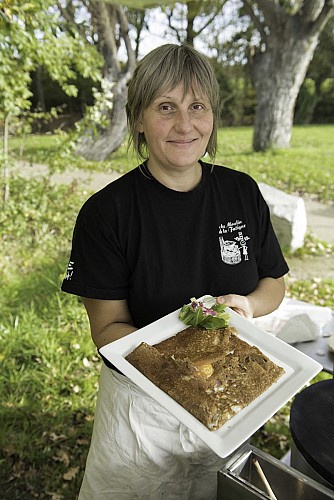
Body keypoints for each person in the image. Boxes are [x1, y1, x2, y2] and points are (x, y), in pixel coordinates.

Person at [61, 43, 289, 499]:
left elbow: (274, 283)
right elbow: (107, 328)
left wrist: (247, 304)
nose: (185, 125)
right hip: (141, 412)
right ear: (139, 119)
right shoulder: (107, 213)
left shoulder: (241, 193)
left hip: (227, 392)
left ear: (213, 116)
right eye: (165, 107)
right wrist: (177, 370)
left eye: (197, 106)